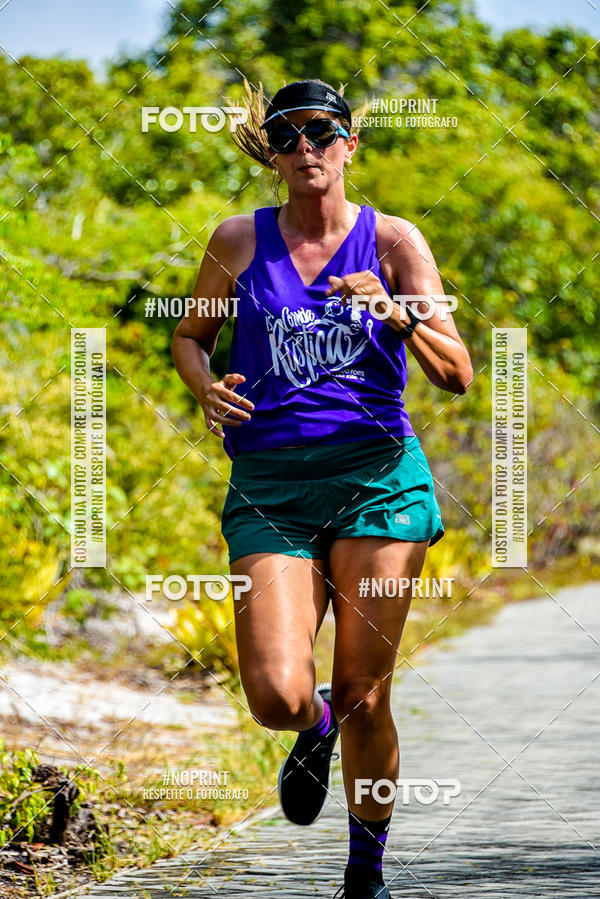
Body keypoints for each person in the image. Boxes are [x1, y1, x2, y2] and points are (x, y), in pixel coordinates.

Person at [172, 79, 473, 899]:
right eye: (287, 136)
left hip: (378, 481)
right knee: (277, 696)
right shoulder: (236, 241)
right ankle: (315, 724)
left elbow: (458, 374)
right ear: (270, 152)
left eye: (322, 132)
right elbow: (191, 335)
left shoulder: (394, 241)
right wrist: (204, 386)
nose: (305, 147)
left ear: (349, 144)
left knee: (368, 692)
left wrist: (396, 313)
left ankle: (364, 872)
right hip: (270, 485)